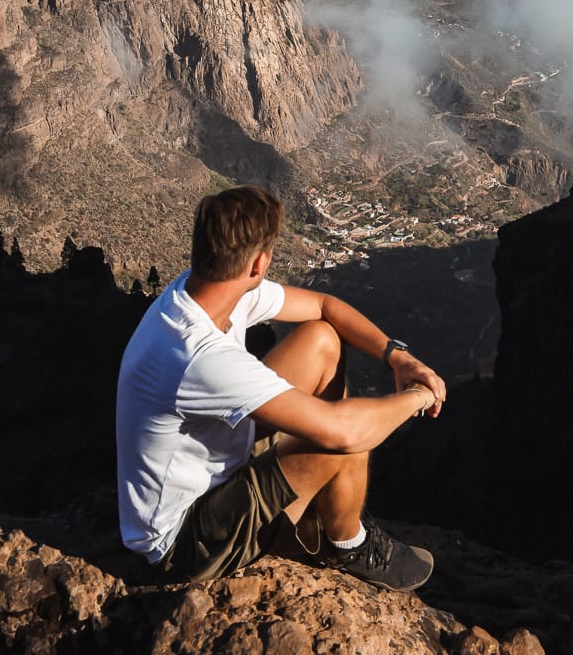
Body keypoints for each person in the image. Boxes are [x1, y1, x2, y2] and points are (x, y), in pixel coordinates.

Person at [116, 184, 446, 592]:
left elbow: (325, 307)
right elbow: (343, 432)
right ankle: (347, 543)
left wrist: (398, 357)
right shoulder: (196, 353)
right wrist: (420, 394)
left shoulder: (201, 290)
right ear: (258, 264)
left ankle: (327, 505)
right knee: (342, 439)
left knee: (322, 339)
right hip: (187, 540)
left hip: (218, 465)